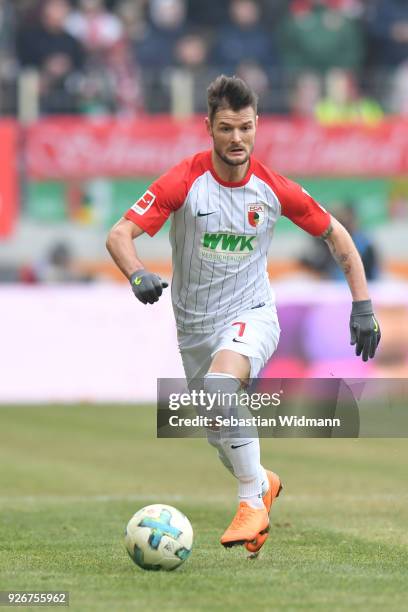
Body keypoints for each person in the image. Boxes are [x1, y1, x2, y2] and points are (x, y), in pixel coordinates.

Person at [106, 75, 381, 555]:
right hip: (194, 329)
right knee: (219, 431)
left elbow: (337, 236)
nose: (238, 139)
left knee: (219, 390)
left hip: (252, 314)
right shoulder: (183, 181)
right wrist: (135, 274)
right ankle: (261, 483)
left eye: (246, 128)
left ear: (257, 127)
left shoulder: (273, 188)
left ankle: (250, 502)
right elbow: (119, 234)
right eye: (227, 128)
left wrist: (362, 306)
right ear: (209, 127)